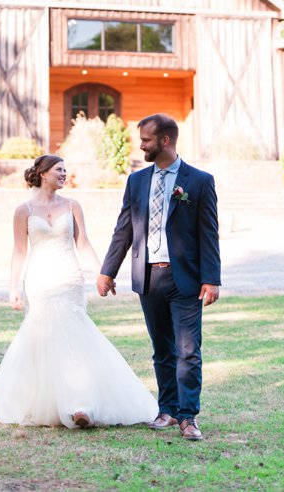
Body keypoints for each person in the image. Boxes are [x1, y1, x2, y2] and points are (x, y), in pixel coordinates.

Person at [0, 154, 158, 429]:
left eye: (65, 170)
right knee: (43, 339)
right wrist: (13, 288)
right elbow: (19, 251)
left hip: (69, 278)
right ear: (43, 173)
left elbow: (83, 244)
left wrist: (102, 274)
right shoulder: (24, 211)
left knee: (74, 336)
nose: (64, 174)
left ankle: (81, 404)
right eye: (59, 169)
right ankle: (44, 403)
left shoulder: (72, 206)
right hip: (40, 281)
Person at [97, 113, 221, 441]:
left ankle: (188, 416)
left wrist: (212, 278)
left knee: (188, 350)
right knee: (161, 350)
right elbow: (123, 229)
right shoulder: (136, 182)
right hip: (148, 277)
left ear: (165, 141)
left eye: (146, 140)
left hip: (186, 280)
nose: (141, 146)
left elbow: (209, 233)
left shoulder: (199, 181)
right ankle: (166, 410)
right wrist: (108, 271)